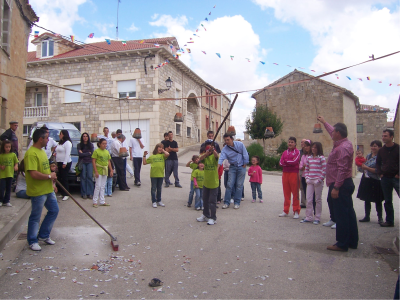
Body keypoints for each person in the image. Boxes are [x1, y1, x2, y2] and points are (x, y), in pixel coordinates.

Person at [317, 116, 358, 252]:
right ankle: (352, 240)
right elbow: (331, 131)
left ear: (338, 134)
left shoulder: (342, 148)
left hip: (340, 184)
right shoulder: (343, 143)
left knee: (341, 215)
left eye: (333, 132)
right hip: (341, 183)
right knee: (348, 213)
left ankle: (342, 243)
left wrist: (336, 187)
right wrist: (324, 122)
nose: (331, 133)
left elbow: (342, 169)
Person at [25, 128, 58, 251]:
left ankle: (44, 235)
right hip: (38, 191)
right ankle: (32, 240)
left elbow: (46, 169)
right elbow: (33, 173)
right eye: (46, 138)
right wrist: (49, 176)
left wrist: (52, 182)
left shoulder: (43, 151)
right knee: (35, 216)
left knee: (54, 210)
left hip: (48, 189)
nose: (48, 140)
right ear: (40, 139)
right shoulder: (31, 153)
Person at [376, 129, 400, 227]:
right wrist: (380, 173)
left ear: (391, 137)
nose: (383, 138)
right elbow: (378, 163)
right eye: (383, 136)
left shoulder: (398, 148)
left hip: (397, 178)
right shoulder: (381, 150)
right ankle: (389, 221)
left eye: (385, 136)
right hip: (385, 178)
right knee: (388, 201)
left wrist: (398, 174)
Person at [219, 134, 249, 209]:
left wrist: (245, 163)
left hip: (241, 166)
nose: (226, 141)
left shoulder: (240, 144)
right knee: (229, 184)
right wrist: (218, 166)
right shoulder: (225, 149)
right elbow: (221, 158)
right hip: (232, 166)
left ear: (232, 139)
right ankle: (226, 202)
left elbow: (245, 154)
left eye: (228, 140)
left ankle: (237, 202)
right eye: (225, 140)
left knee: (239, 185)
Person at [357, 140, 384, 224]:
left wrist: (367, 168)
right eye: (372, 146)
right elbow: (363, 167)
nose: (373, 147)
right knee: (367, 198)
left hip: (376, 180)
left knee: (378, 200)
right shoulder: (368, 156)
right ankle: (367, 216)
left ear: (379, 147)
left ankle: (380, 218)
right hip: (367, 179)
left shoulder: (381, 157)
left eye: (375, 146)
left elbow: (379, 170)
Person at [302, 142, 326, 225]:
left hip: (318, 181)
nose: (313, 149)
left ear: (318, 148)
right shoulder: (309, 158)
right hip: (310, 181)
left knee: (317, 199)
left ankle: (317, 217)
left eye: (315, 148)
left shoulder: (321, 158)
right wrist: (307, 178)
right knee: (308, 199)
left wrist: (320, 179)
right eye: (313, 147)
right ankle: (308, 216)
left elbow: (324, 169)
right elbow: (307, 169)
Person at [197, 141, 219, 225]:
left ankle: (213, 218)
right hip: (206, 183)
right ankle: (205, 215)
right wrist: (206, 154)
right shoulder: (205, 158)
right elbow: (200, 159)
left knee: (212, 202)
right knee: (205, 200)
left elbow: (217, 156)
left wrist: (213, 151)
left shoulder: (215, 157)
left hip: (214, 183)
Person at [278, 137, 301, 218]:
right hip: (285, 173)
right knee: (286, 193)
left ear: (295, 143)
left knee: (295, 193)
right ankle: (285, 210)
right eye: (289, 142)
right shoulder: (285, 152)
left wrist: (286, 161)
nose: (290, 143)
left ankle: (296, 211)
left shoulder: (297, 152)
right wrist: (288, 163)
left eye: (292, 142)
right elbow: (281, 162)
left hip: (294, 173)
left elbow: (295, 162)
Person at [143, 143, 169, 208]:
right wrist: (144, 156)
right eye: (159, 147)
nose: (160, 148)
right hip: (154, 175)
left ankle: (159, 200)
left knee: (159, 188)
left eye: (162, 147)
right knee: (154, 188)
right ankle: (154, 201)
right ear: (156, 148)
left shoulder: (163, 156)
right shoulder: (152, 156)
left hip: (161, 174)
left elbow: (168, 154)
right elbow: (144, 163)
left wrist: (163, 151)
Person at [92, 138, 113, 208]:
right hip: (99, 169)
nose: (105, 145)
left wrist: (111, 170)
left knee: (103, 186)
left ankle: (102, 200)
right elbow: (93, 161)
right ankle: (95, 201)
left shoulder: (107, 152)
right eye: (103, 144)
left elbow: (108, 161)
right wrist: (96, 171)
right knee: (98, 185)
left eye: (105, 144)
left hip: (105, 170)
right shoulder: (96, 151)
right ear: (100, 144)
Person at [55, 130, 72, 201]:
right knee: (61, 178)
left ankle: (66, 194)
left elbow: (67, 153)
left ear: (64, 135)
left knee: (64, 178)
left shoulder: (67, 143)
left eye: (60, 134)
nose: (59, 135)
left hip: (65, 163)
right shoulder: (60, 143)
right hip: (59, 162)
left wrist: (64, 163)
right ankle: (62, 192)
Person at [0, 140, 19, 206]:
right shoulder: (1, 155)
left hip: (10, 174)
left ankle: (7, 200)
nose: (8, 148)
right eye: (6, 147)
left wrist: (16, 166)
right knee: (2, 188)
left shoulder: (13, 155)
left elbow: (16, 162)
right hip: (2, 175)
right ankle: (1, 200)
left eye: (9, 147)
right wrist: (1, 166)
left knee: (8, 188)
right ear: (3, 147)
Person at [299, 140, 315, 212]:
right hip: (304, 176)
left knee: (313, 196)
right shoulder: (304, 156)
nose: (306, 148)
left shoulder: (314, 156)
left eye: (307, 146)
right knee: (306, 195)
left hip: (312, 177)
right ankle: (309, 213)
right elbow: (300, 166)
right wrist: (303, 166)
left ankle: (315, 212)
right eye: (305, 146)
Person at [77, 132, 94, 199]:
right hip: (82, 162)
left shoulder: (91, 145)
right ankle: (83, 193)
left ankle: (90, 193)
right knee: (83, 177)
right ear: (82, 137)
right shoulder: (79, 145)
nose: (85, 137)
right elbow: (80, 154)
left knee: (89, 177)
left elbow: (92, 154)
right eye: (84, 136)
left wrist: (83, 153)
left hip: (89, 162)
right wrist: (87, 153)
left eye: (86, 136)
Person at [299, 139, 308, 208]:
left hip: (308, 172)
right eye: (301, 142)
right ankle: (303, 202)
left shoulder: (309, 153)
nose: (302, 143)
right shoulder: (299, 152)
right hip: (301, 170)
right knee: (302, 187)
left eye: (304, 142)